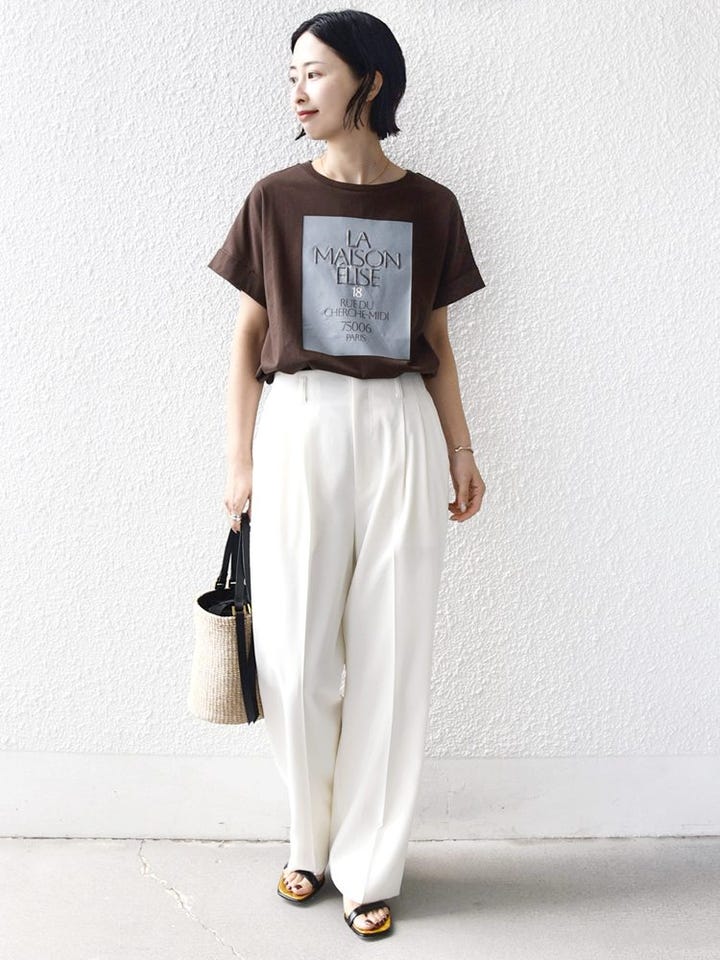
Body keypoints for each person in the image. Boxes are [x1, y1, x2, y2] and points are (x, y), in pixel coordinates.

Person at [208, 9, 487, 940]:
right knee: (292, 660)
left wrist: (461, 448)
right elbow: (247, 336)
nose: (297, 90)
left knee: (392, 654)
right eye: (292, 74)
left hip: (400, 423)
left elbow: (437, 340)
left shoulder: (431, 206)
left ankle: (370, 866)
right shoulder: (275, 198)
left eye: (315, 72)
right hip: (299, 422)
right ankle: (311, 838)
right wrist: (240, 459)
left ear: (370, 82)